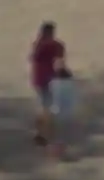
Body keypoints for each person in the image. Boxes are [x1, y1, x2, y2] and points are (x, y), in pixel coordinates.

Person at [27, 18, 74, 156]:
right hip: (49, 81)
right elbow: (60, 63)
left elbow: (33, 58)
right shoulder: (54, 46)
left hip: (39, 80)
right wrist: (65, 73)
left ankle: (41, 134)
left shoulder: (38, 45)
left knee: (46, 107)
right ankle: (49, 139)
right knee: (50, 110)